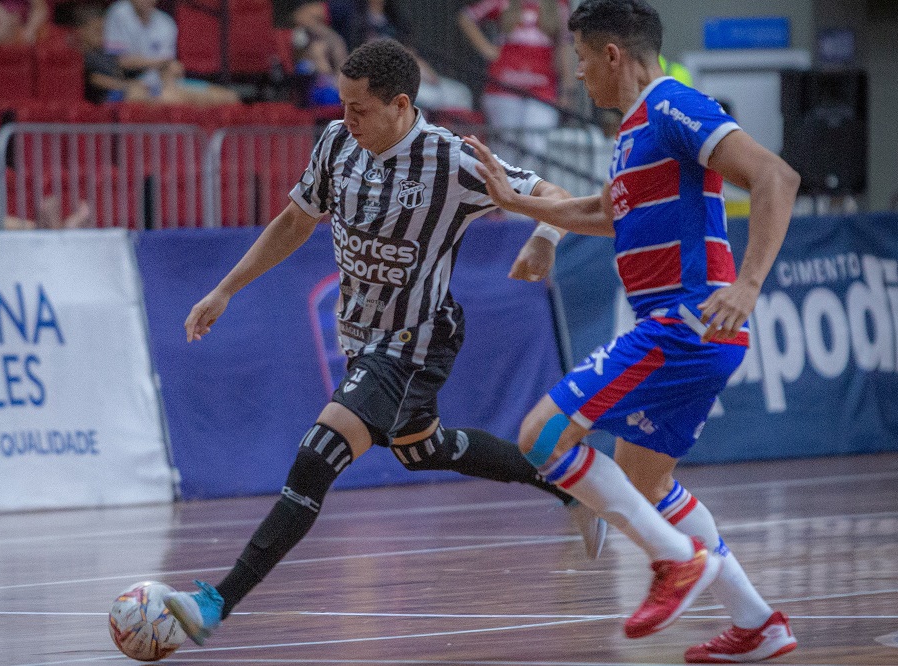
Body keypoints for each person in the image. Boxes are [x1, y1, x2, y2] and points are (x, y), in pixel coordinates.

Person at [162, 37, 722, 648]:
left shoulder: (451, 160)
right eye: (342, 107)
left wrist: (544, 237)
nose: (345, 120)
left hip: (416, 340)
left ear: (401, 105)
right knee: (422, 450)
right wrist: (225, 290)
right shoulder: (335, 145)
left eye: (358, 109)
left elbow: (555, 196)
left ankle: (217, 601)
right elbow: (296, 221)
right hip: (362, 339)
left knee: (317, 454)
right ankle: (566, 486)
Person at [464, 0, 801, 662]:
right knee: (646, 484)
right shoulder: (633, 131)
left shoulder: (672, 103)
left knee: (542, 435)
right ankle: (757, 623)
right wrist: (515, 205)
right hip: (689, 330)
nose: (580, 77)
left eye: (584, 63)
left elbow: (775, 177)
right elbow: (604, 211)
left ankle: (675, 561)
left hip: (684, 323)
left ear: (613, 55)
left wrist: (748, 284)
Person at [458, 0, 576, 166]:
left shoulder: (559, 5)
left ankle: (525, 190)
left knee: (535, 147)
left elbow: (564, 47)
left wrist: (567, 90)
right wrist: (487, 49)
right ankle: (503, 190)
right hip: (503, 87)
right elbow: (467, 17)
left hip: (543, 88)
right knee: (506, 149)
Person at [103, 0, 240, 106]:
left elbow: (168, 67)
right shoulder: (118, 13)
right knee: (169, 99)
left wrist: (170, 70)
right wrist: (162, 63)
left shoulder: (166, 23)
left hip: (163, 83)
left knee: (229, 97)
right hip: (129, 84)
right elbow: (120, 62)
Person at [359, 0, 473, 113]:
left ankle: (446, 131)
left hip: (407, 74)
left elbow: (409, 52)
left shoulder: (393, 18)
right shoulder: (356, 18)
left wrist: (427, 73)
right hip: (380, 80)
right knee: (425, 99)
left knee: (460, 93)